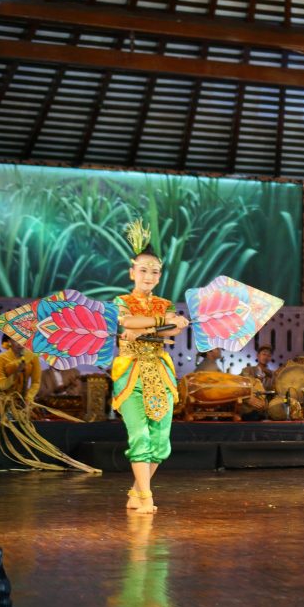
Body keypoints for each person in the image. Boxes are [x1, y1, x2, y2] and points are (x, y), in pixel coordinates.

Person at [111, 219, 189, 515]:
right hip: (131, 374)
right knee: (140, 435)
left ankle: (136, 492)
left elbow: (174, 330)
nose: (149, 276)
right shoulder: (121, 301)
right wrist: (161, 323)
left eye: (154, 271)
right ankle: (146, 497)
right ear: (132, 272)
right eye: (143, 270)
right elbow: (128, 322)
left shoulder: (165, 303)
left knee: (160, 441)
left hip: (160, 373)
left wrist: (155, 327)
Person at [0, 335, 41, 405]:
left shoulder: (32, 357)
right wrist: (17, 371)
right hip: (5, 400)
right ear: (9, 341)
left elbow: (36, 382)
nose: (20, 344)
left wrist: (29, 397)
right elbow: (1, 385)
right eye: (17, 340)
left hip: (25, 400)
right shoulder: (1, 358)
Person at [239, 345, 275, 420]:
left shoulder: (273, 375)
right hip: (248, 409)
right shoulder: (247, 370)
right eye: (264, 354)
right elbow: (239, 387)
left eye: (269, 355)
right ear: (258, 355)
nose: (266, 357)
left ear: (270, 358)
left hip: (265, 411)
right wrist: (247, 398)